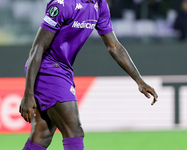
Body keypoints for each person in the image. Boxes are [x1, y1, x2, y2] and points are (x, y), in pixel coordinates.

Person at [19, 0, 158, 149]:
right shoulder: (62, 4)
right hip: (48, 69)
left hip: (62, 69)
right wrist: (28, 94)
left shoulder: (100, 5)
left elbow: (114, 47)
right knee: (74, 130)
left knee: (42, 135)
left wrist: (139, 80)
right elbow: (38, 47)